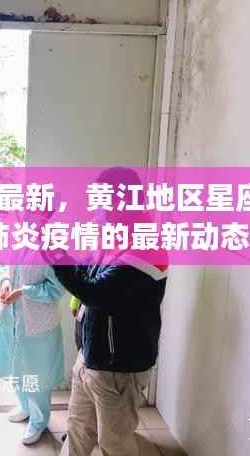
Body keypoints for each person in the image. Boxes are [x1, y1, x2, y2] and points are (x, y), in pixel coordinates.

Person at [51, 168, 168, 456]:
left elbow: (96, 293)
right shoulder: (112, 237)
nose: (95, 210)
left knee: (115, 443)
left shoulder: (148, 248)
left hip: (119, 367)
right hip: (91, 355)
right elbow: (85, 274)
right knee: (78, 430)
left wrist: (53, 250)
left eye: (101, 202)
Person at [0, 247, 66, 445]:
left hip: (38, 322)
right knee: (17, 367)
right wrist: (5, 282)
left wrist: (24, 292)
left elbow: (57, 289)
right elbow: (1, 264)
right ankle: (25, 406)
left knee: (38, 374)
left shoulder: (52, 249)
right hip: (12, 317)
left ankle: (39, 420)